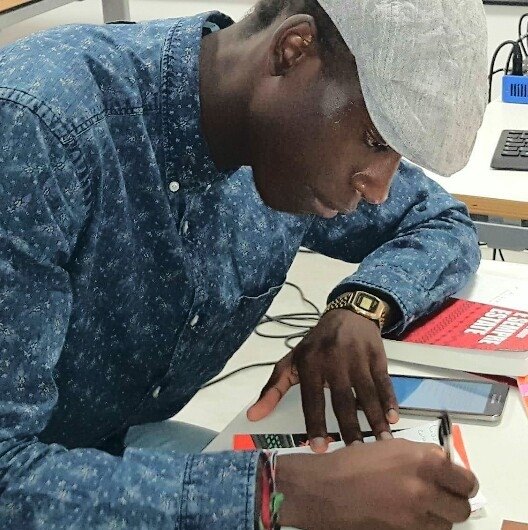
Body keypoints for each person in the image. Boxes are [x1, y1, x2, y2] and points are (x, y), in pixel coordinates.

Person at [0, 0, 487, 528]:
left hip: (108, 447)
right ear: (293, 50)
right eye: (374, 141)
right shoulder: (36, 129)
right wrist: (282, 491)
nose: (378, 189)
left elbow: (440, 221)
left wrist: (361, 307)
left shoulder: (275, 141)